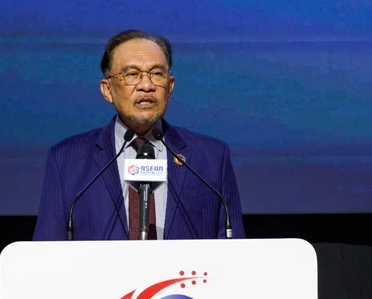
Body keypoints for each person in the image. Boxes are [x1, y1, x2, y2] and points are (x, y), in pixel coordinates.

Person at [33, 29, 245, 240]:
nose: (146, 85)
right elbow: (45, 251)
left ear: (169, 87)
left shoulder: (212, 157)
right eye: (132, 74)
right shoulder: (66, 160)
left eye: (157, 74)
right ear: (107, 90)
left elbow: (234, 252)